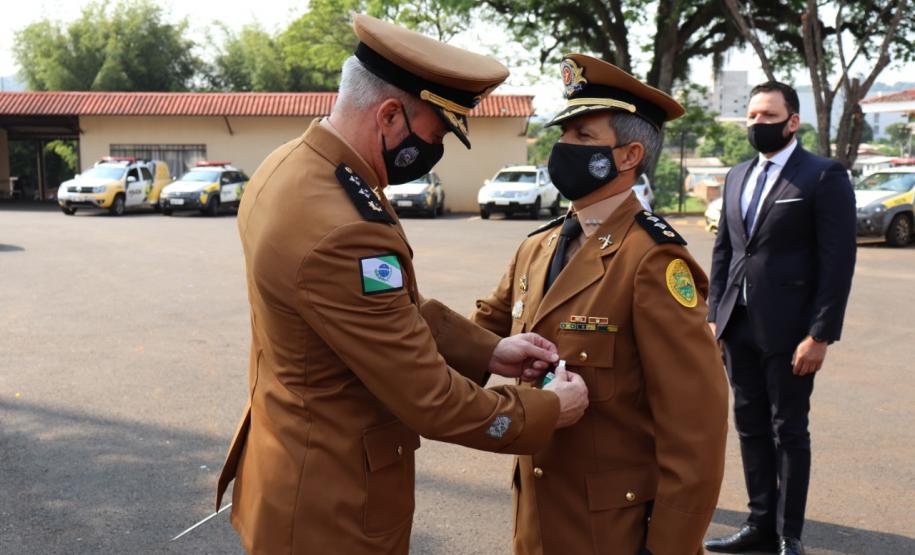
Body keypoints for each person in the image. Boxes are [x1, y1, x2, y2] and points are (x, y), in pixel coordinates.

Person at [214, 15, 590, 555]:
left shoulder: (294, 166)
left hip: (289, 471)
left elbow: (390, 308)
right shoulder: (343, 223)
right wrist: (548, 410)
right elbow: (431, 400)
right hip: (332, 509)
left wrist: (492, 350)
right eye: (434, 135)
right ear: (390, 114)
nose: (432, 152)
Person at [471, 53, 729, 555]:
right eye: (563, 133)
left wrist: (670, 547)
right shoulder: (538, 245)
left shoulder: (653, 261)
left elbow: (695, 426)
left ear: (629, 155)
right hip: (538, 518)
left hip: (612, 531)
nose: (562, 146)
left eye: (583, 137)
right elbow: (480, 334)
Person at [703, 82, 857, 555]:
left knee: (788, 429)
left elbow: (838, 261)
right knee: (748, 425)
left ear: (793, 121)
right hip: (738, 325)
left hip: (792, 331)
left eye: (768, 115)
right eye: (751, 115)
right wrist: (715, 319)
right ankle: (759, 525)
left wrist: (820, 334)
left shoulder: (823, 175)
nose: (757, 123)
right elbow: (725, 251)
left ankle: (789, 535)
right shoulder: (737, 175)